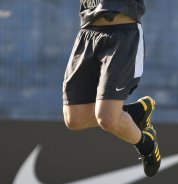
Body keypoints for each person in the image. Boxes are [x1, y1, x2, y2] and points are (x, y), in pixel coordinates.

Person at [62, 0, 161, 177]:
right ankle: (135, 112)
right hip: (87, 33)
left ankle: (146, 144)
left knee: (107, 119)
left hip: (122, 33)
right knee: (75, 118)